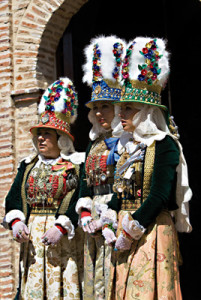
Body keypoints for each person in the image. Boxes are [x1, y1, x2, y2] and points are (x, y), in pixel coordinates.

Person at [106, 37, 192, 299]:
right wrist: (109, 215)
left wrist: (131, 231)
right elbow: (120, 190)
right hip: (126, 228)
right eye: (121, 107)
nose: (121, 113)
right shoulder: (127, 145)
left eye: (129, 108)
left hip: (150, 230)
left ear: (145, 111)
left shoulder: (163, 145)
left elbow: (159, 195)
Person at [3, 78, 85, 299]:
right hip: (33, 239)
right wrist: (17, 221)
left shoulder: (74, 165)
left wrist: (60, 227)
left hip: (63, 238)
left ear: (61, 139)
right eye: (38, 133)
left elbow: (77, 196)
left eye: (46, 133)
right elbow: (13, 197)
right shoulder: (28, 165)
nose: (40, 138)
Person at [75, 36, 126, 300]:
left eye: (105, 106)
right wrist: (84, 212)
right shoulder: (93, 144)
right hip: (92, 216)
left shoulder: (129, 142)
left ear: (118, 108)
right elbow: (85, 181)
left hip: (115, 217)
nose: (99, 113)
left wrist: (108, 216)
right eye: (95, 107)